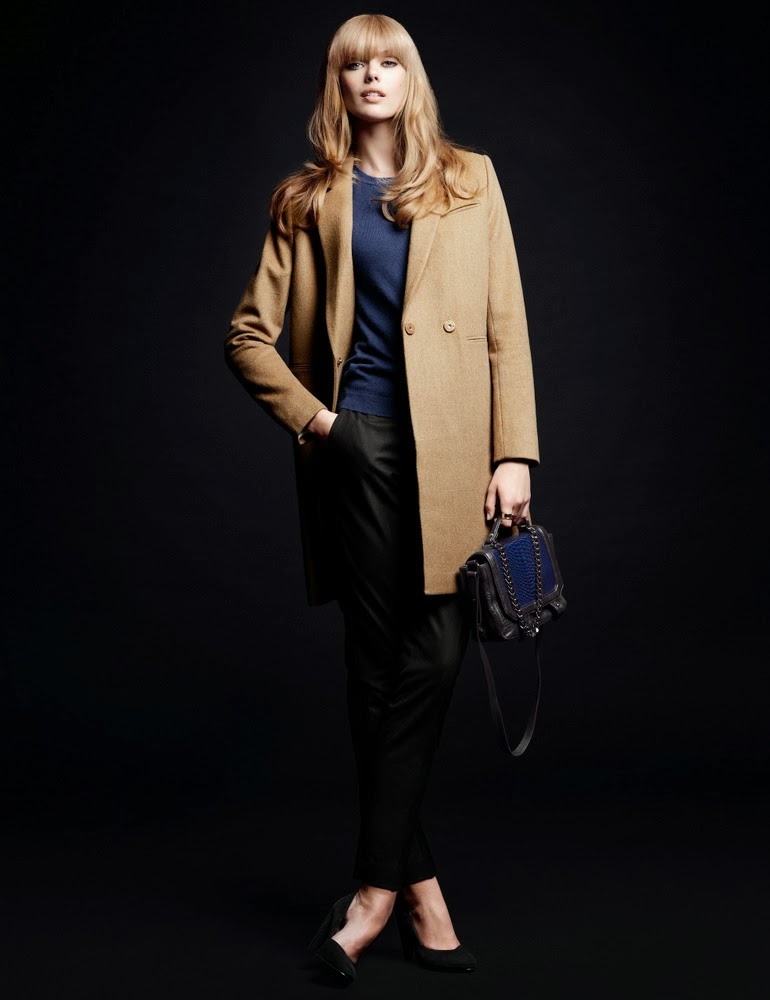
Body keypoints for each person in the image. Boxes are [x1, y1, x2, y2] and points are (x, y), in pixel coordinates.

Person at [224, 12, 539, 983]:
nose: (372, 75)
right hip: (355, 447)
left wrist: (514, 453)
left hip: (454, 453)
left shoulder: (470, 179)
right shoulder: (306, 199)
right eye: (354, 64)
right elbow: (247, 335)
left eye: (387, 60)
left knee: (433, 652)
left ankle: (375, 892)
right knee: (372, 668)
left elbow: (506, 326)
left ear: (411, 77)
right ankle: (420, 894)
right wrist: (323, 425)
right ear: (338, 84)